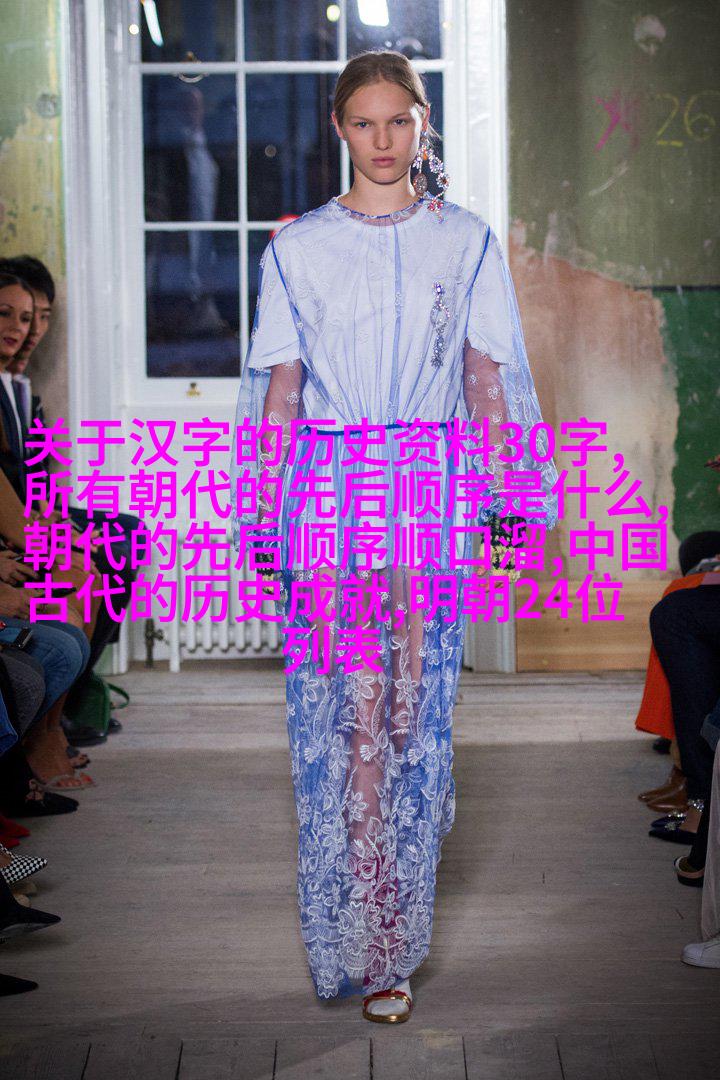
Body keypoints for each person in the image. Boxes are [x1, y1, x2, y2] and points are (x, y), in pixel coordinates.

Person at [230, 51, 557, 1023]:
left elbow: (487, 380)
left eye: (398, 121)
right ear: (338, 128)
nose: (382, 140)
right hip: (330, 498)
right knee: (355, 725)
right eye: (363, 123)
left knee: (416, 725)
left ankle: (393, 925)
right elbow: (280, 396)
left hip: (429, 494)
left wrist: (511, 497)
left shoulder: (466, 241)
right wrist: (260, 510)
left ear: (423, 124)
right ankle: (377, 949)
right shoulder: (296, 249)